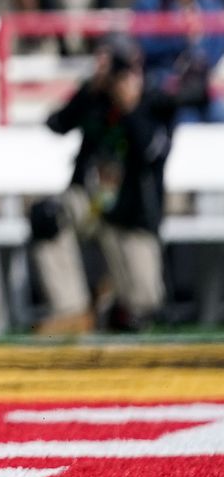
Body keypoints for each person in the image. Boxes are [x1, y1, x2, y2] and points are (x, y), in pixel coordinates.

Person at [32, 41, 190, 335]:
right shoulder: (95, 99)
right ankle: (71, 310)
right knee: (48, 215)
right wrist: (91, 89)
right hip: (92, 204)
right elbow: (57, 124)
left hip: (130, 215)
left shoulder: (154, 103)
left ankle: (108, 296)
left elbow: (151, 152)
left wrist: (129, 109)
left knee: (142, 305)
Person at [131, 0, 224, 122]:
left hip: (200, 81)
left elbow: (218, 39)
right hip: (165, 78)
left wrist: (205, 60)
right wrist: (179, 37)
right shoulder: (151, 0)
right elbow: (143, 43)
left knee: (219, 111)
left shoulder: (209, 2)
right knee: (184, 118)